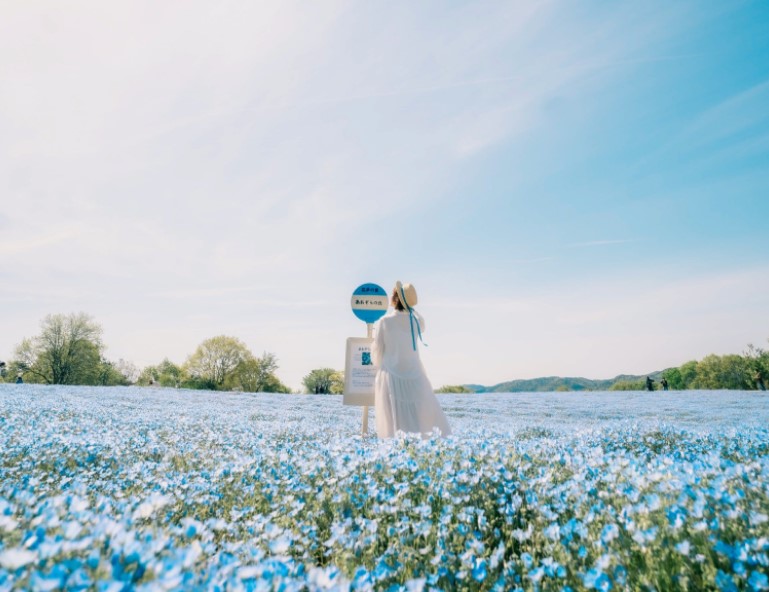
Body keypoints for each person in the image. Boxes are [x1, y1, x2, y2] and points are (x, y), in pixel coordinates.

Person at [371, 281, 451, 438]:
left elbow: (377, 350)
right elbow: (421, 325)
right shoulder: (417, 321)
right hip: (415, 374)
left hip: (391, 375)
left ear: (395, 298)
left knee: (393, 418)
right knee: (419, 415)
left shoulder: (384, 322)